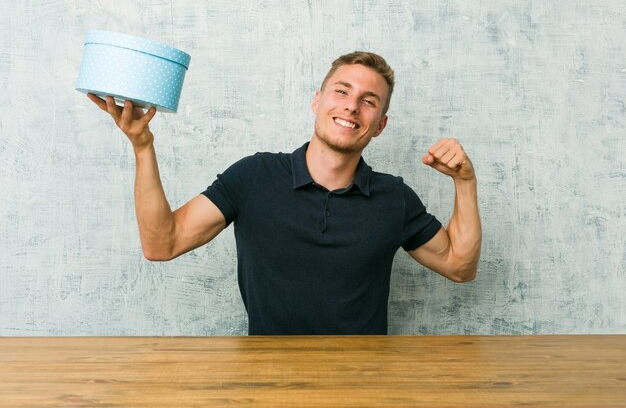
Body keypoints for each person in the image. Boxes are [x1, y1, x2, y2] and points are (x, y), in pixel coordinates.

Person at [88, 51, 482, 335]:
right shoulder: (254, 176)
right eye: (341, 92)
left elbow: (459, 267)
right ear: (317, 100)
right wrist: (143, 147)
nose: (352, 107)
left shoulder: (393, 198)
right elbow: (162, 243)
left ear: (379, 124)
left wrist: (464, 183)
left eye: (369, 101)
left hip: (364, 383)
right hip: (265, 381)